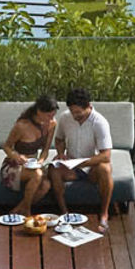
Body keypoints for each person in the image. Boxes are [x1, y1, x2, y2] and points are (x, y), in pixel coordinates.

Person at [51, 89, 118, 231]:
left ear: (89, 106)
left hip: (92, 167)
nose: (75, 116)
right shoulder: (65, 118)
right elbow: (59, 139)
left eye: (78, 112)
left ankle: (104, 213)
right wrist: (60, 153)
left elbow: (106, 155)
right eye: (72, 112)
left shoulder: (100, 122)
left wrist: (83, 163)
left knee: (105, 168)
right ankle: (64, 213)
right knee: (53, 169)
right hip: (71, 165)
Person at [0, 96, 61, 217]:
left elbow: (45, 150)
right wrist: (16, 155)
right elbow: (6, 146)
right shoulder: (22, 125)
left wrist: (41, 161)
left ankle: (18, 209)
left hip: (34, 164)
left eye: (53, 115)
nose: (51, 119)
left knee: (46, 184)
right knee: (37, 175)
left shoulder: (52, 124)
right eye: (48, 115)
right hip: (14, 164)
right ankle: (27, 212)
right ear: (39, 111)